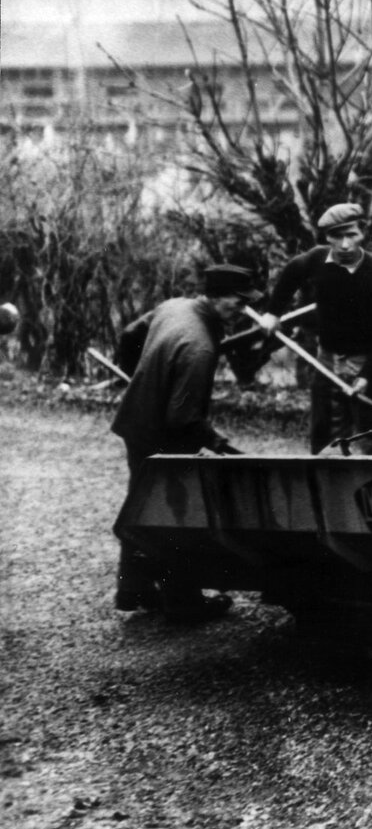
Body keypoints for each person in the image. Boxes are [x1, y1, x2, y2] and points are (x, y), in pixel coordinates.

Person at [111, 264, 260, 620]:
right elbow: (184, 420)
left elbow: (130, 335)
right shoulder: (199, 347)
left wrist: (143, 378)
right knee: (179, 515)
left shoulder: (174, 306)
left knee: (143, 507)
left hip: (138, 423)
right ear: (216, 297)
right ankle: (184, 604)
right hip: (163, 435)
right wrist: (220, 444)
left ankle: (133, 590)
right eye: (238, 303)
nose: (242, 311)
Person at [258, 203, 372, 455]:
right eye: (337, 236)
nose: (345, 244)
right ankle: (330, 485)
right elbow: (292, 272)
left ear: (363, 233)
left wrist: (366, 375)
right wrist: (273, 312)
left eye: (352, 235)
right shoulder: (316, 259)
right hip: (327, 358)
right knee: (324, 434)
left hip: (366, 360)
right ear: (327, 237)